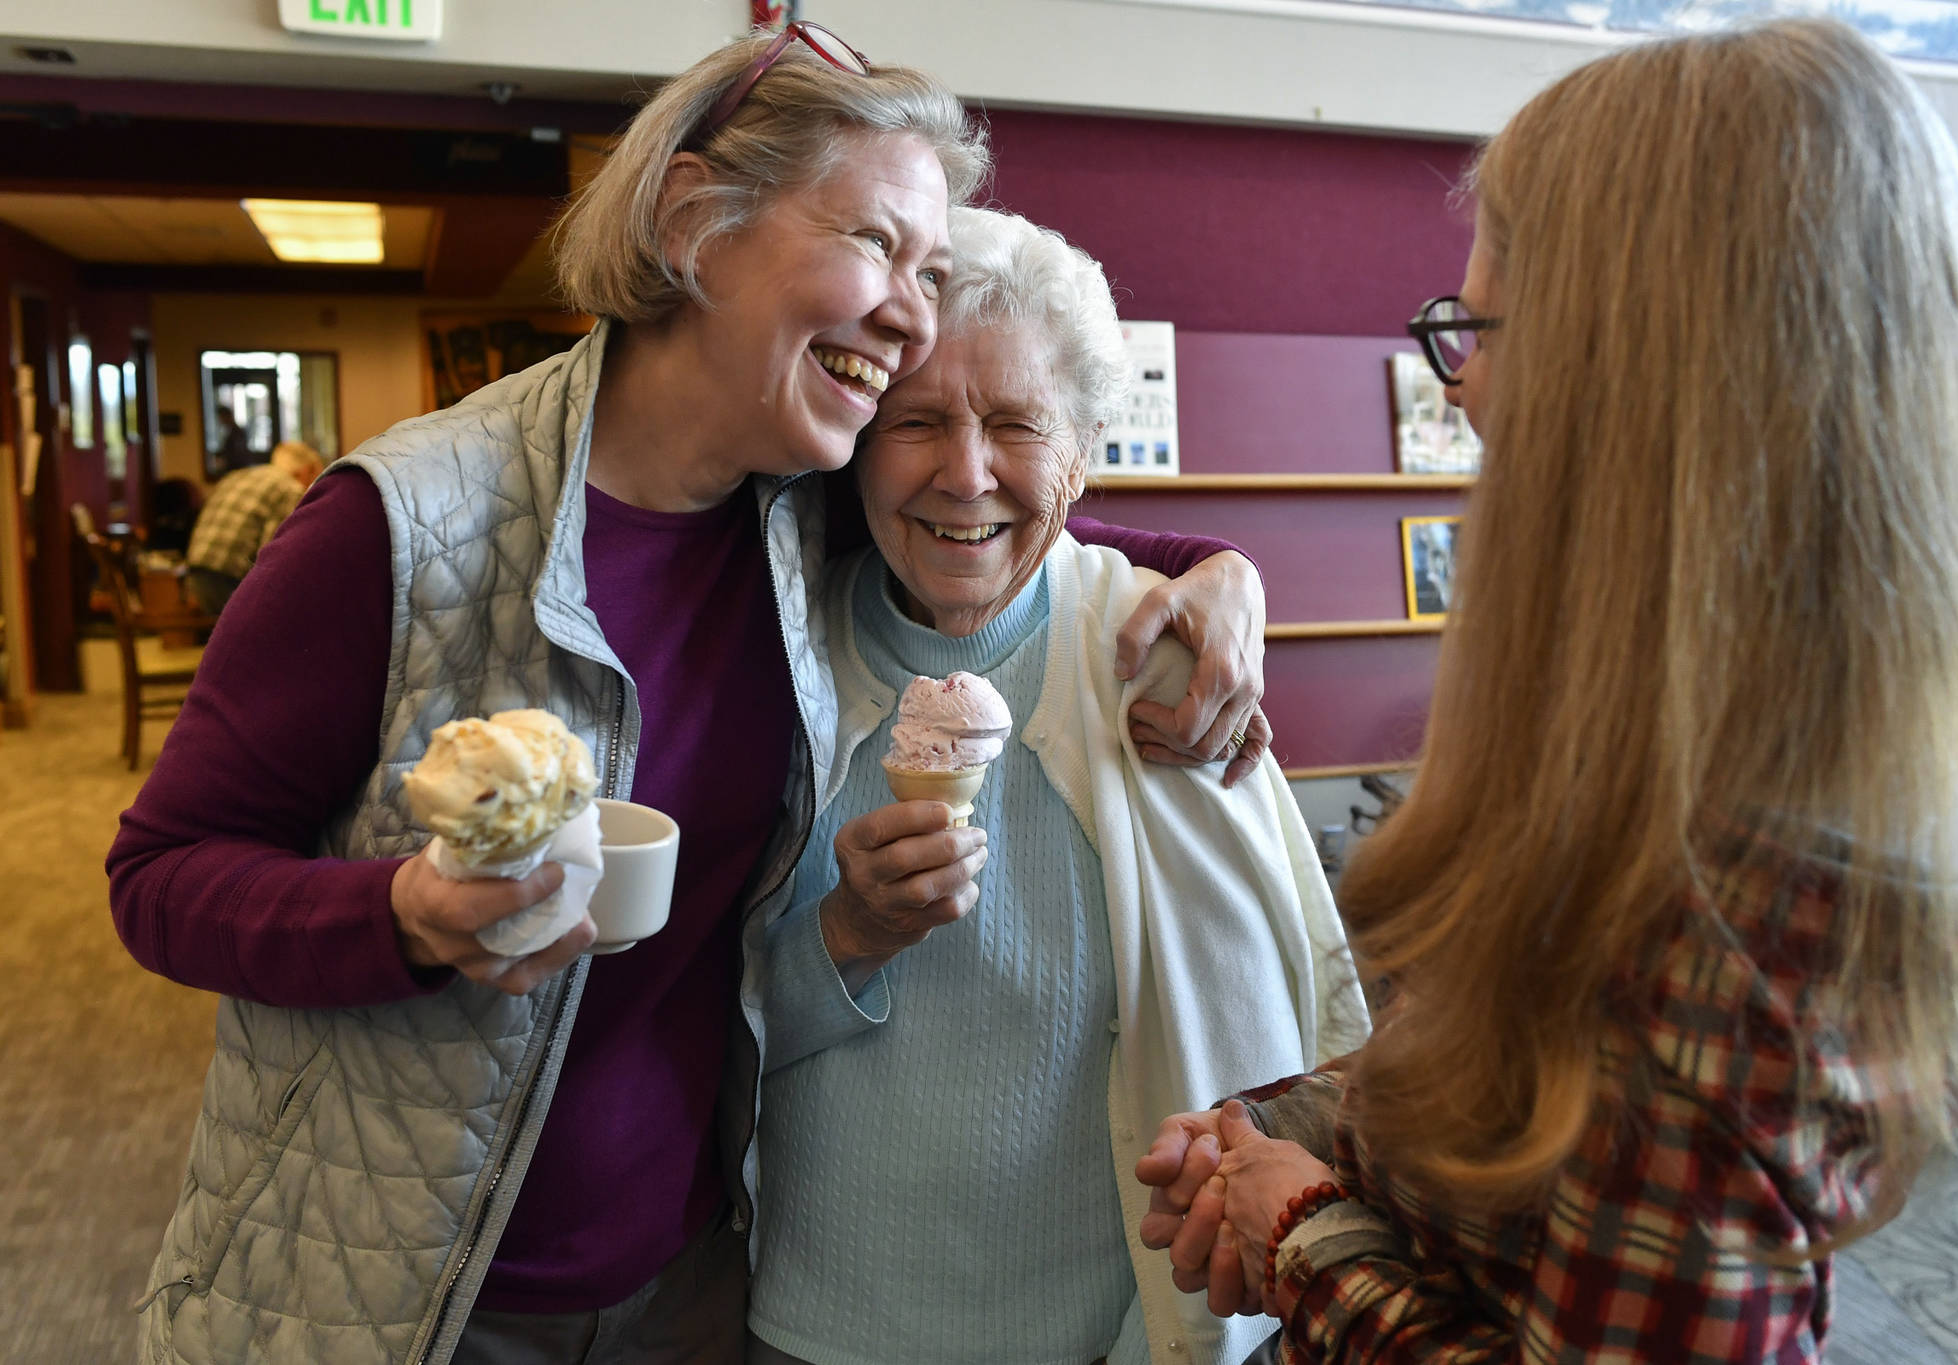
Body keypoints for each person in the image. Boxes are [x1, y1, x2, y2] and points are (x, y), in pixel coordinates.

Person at [109, 25, 1268, 1365]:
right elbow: (159, 875)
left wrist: (1219, 572)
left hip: (689, 1273)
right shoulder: (401, 525)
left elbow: (1008, 515)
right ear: (693, 218)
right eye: (879, 245)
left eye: (932, 270)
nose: (911, 309)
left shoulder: (797, 509)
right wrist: (407, 915)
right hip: (403, 1290)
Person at [1135, 19, 1958, 1362]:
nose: (1469, 393)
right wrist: (1321, 1123)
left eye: (1484, 331)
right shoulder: (1753, 781)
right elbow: (1552, 1110)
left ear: (1634, 390)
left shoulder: (1722, 924)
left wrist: (1312, 1239)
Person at [743, 207, 1368, 1365]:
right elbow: (683, 1036)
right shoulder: (775, 664)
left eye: (1017, 425)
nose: (962, 474)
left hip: (1104, 1331)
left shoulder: (1160, 663)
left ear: (1081, 450)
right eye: (915, 420)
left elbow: (1266, 1018)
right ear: (857, 445)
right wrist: (843, 936)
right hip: (820, 1321)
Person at [181, 440, 325, 613]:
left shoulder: (237, 476)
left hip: (196, 572)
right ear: (306, 470)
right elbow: (274, 552)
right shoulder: (289, 488)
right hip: (229, 578)